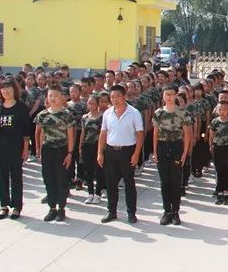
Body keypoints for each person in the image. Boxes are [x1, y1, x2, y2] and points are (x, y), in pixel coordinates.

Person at [98, 84, 145, 224]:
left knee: (129, 183)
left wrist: (136, 154)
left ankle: (131, 213)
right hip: (111, 151)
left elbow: (140, 135)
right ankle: (111, 211)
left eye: (118, 96)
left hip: (127, 151)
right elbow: (103, 133)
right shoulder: (107, 113)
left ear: (124, 96)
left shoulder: (134, 113)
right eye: (112, 97)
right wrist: (100, 153)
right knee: (111, 184)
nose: (115, 99)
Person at [0, 79, 30, 219]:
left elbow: (26, 132)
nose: (5, 91)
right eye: (3, 88)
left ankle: (17, 206)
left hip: (16, 147)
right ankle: (4, 206)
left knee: (16, 177)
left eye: (8, 88)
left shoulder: (22, 108)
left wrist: (25, 149)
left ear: (14, 90)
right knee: (2, 177)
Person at [152, 85, 192, 226]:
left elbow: (187, 134)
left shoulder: (182, 113)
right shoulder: (158, 113)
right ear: (163, 96)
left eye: (171, 94)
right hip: (163, 147)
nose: (169, 97)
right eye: (166, 94)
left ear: (176, 95)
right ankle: (166, 211)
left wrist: (184, 153)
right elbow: (155, 133)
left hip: (176, 147)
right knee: (164, 182)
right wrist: (155, 152)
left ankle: (175, 212)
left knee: (175, 182)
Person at [34, 86, 75, 222]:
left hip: (62, 150)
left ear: (62, 97)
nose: (53, 98)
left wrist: (70, 153)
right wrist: (39, 151)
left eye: (55, 96)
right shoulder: (42, 115)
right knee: (48, 179)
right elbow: (40, 134)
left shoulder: (67, 114)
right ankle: (52, 208)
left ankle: (61, 208)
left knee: (61, 179)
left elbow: (70, 135)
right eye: (50, 96)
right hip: (47, 150)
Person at [209, 100, 228, 205]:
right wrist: (211, 145)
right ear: (217, 110)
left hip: (227, 148)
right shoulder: (215, 122)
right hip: (217, 148)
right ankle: (219, 191)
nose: (222, 112)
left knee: (227, 170)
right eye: (220, 109)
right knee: (218, 169)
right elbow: (211, 135)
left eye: (225, 110)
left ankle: (226, 191)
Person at [80, 95, 105, 204]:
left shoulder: (102, 117)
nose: (90, 106)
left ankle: (98, 193)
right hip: (87, 145)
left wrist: (102, 149)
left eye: (93, 103)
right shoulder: (84, 117)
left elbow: (104, 133)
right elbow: (82, 132)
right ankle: (90, 193)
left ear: (98, 104)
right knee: (88, 170)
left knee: (98, 170)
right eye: (89, 103)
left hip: (97, 145)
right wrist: (80, 146)